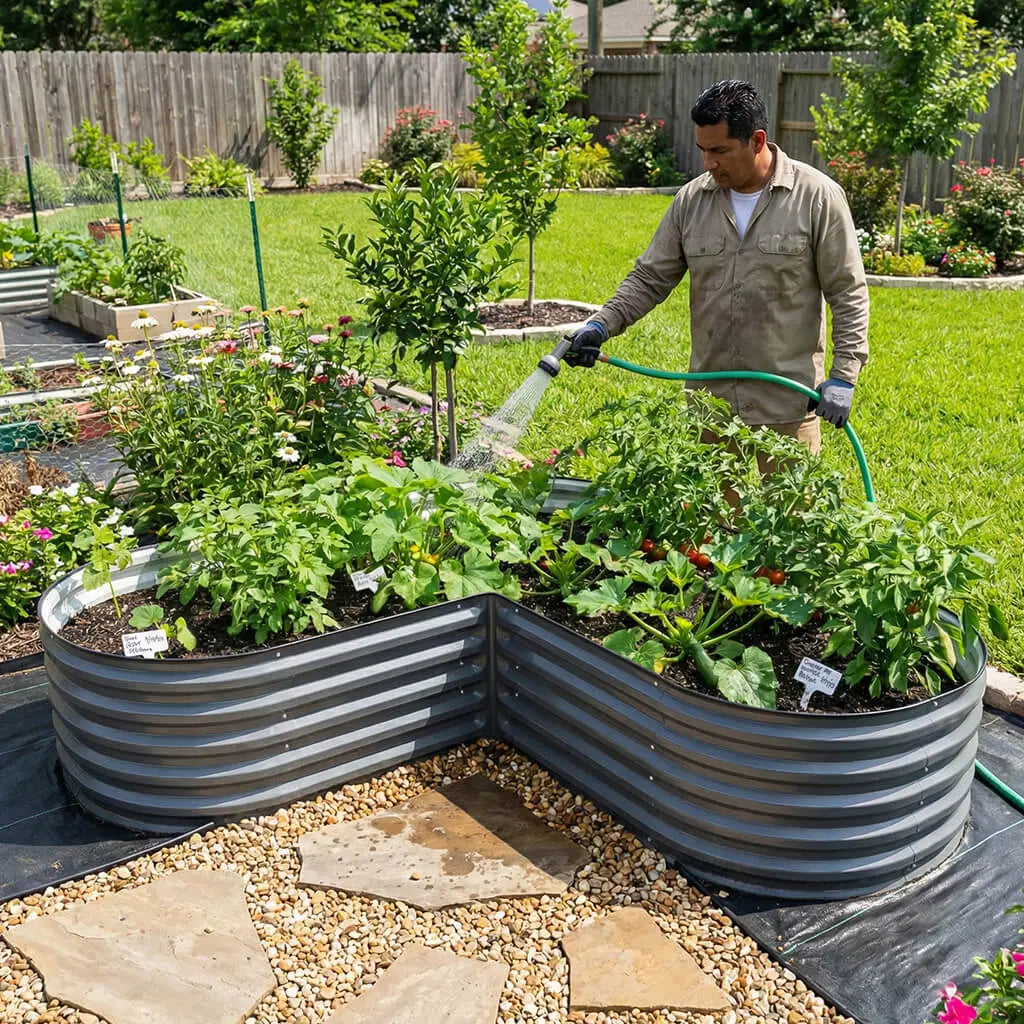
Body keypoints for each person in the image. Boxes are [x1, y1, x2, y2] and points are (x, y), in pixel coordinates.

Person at [564, 79, 869, 452]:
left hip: (788, 405)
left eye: (720, 151)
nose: (708, 163)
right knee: (715, 512)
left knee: (790, 511)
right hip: (712, 406)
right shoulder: (692, 200)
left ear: (756, 141)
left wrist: (843, 377)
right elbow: (649, 278)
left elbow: (847, 291)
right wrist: (600, 326)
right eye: (703, 151)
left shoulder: (816, 197)